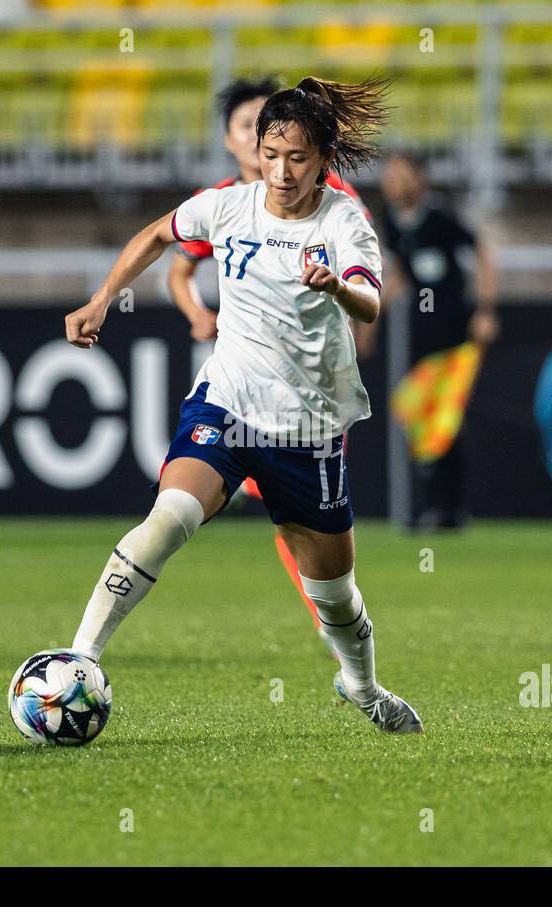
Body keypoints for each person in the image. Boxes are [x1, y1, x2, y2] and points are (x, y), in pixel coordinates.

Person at [64, 75, 422, 734]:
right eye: (272, 155)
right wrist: (101, 298)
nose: (282, 172)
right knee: (171, 516)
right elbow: (156, 235)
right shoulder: (228, 205)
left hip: (307, 429)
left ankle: (364, 687)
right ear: (256, 152)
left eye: (299, 159)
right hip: (225, 404)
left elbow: (370, 299)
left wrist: (337, 290)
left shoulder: (344, 220)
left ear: (322, 161)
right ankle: (78, 660)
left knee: (335, 596)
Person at [167, 76, 370, 641]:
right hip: (244, 382)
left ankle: (334, 622)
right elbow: (179, 269)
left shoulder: (333, 202)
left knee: (300, 522)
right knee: (280, 513)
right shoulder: (227, 203)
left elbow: (361, 272)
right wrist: (195, 313)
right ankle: (333, 624)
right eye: (251, 131)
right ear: (240, 143)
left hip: (312, 387)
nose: (279, 159)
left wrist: (352, 305)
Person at [366, 149, 499, 529]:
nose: (394, 184)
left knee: (446, 421)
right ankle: (432, 505)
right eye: (389, 177)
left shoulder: (440, 216)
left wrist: (486, 309)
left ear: (420, 180)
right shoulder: (392, 222)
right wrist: (372, 317)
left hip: (455, 337)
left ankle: (448, 507)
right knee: (418, 416)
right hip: (419, 339)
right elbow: (400, 274)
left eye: (402, 176)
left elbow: (483, 252)